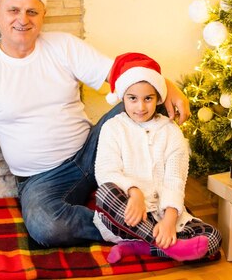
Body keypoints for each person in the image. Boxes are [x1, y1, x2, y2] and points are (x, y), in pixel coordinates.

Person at [0, 0, 190, 248]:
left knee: (146, 100)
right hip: (42, 179)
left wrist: (168, 86)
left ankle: (163, 207)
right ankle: (135, 228)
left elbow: (123, 75)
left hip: (94, 150)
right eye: (14, 10)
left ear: (42, 15)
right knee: (45, 226)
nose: (23, 19)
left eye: (32, 11)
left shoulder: (63, 46)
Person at [93, 52, 221, 263]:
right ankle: (175, 249)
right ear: (122, 97)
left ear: (159, 98)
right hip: (129, 216)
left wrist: (170, 220)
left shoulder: (170, 132)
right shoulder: (113, 128)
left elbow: (174, 179)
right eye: (132, 98)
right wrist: (134, 194)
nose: (141, 107)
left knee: (213, 238)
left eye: (148, 99)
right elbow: (106, 171)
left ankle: (140, 246)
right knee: (105, 192)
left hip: (163, 214)